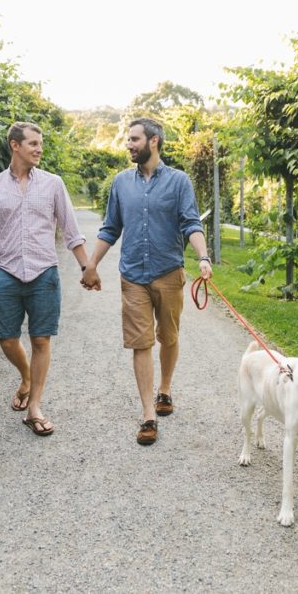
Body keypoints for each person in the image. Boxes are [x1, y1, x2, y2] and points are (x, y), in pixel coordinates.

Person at [82, 118, 212, 446]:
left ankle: (164, 390)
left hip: (169, 273)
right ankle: (147, 414)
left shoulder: (179, 181)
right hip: (133, 276)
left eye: (134, 139)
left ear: (153, 141)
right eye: (128, 139)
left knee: (168, 337)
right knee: (141, 343)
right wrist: (91, 264)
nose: (128, 144)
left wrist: (203, 257)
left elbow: (190, 222)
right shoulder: (121, 183)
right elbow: (111, 228)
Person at [0, 121, 90, 436]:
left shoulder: (53, 184)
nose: (39, 149)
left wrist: (86, 267)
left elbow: (71, 230)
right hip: (7, 275)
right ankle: (26, 377)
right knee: (7, 338)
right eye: (33, 144)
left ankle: (35, 407)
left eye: (40, 144)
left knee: (41, 339)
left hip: (44, 273)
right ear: (15, 145)